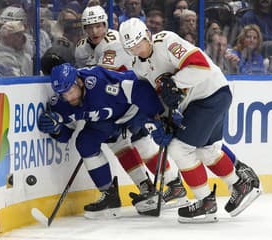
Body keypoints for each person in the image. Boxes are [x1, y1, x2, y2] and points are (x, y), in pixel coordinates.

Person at [119, 18, 261, 223]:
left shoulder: (167, 41)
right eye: (130, 48)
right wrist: (160, 120)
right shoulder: (138, 67)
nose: (136, 50)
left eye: (138, 44)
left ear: (148, 35)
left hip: (211, 93)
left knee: (179, 149)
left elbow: (201, 65)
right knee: (206, 150)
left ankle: (206, 202)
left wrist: (175, 83)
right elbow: (158, 96)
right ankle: (240, 185)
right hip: (198, 103)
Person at [75, 5, 189, 210]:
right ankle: (157, 186)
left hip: (134, 97)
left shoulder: (113, 43)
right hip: (116, 104)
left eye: (99, 26)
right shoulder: (82, 48)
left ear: (106, 25)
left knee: (141, 140)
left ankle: (173, 183)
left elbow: (99, 79)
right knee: (124, 141)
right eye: (89, 27)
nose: (94, 32)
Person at [38, 63, 167, 218]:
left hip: (131, 112)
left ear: (79, 82)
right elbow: (66, 135)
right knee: (86, 142)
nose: (68, 97)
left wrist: (156, 116)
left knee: (121, 140)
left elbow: (140, 89)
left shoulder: (100, 83)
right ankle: (110, 196)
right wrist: (56, 129)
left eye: (70, 91)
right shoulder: (62, 102)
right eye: (63, 94)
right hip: (106, 121)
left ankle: (151, 187)